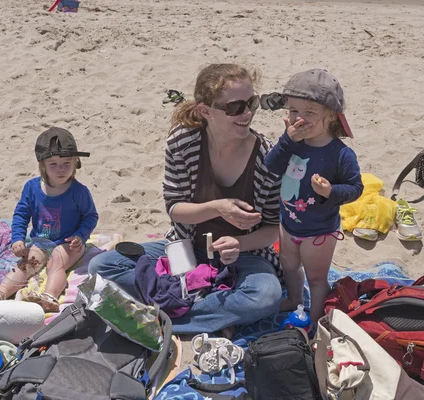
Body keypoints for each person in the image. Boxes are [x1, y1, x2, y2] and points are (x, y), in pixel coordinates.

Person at [89, 64, 283, 334]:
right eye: (235, 107)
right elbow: (175, 209)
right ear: (206, 111)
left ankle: (166, 319)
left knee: (265, 296)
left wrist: (239, 242)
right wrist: (217, 208)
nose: (248, 113)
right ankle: (202, 303)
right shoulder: (184, 141)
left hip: (243, 256)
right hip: (186, 248)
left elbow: (273, 228)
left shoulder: (267, 156)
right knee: (103, 265)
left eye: (252, 103)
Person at [264, 69, 363, 322]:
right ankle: (295, 299)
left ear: (330, 116)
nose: (299, 119)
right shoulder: (291, 141)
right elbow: (271, 166)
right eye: (294, 111)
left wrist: (330, 191)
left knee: (317, 279)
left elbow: (355, 188)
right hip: (288, 222)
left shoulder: (341, 154)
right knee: (289, 266)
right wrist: (286, 142)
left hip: (319, 231)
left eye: (309, 113)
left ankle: (317, 319)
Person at [0, 127, 99, 312]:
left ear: (75, 163)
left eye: (66, 163)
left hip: (69, 243)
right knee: (27, 264)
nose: (61, 169)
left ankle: (50, 297)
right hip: (41, 241)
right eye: (53, 164)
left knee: (56, 261)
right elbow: (21, 214)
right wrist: (18, 238)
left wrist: (81, 235)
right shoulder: (32, 187)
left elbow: (90, 216)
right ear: (42, 165)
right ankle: (0, 293)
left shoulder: (79, 191)